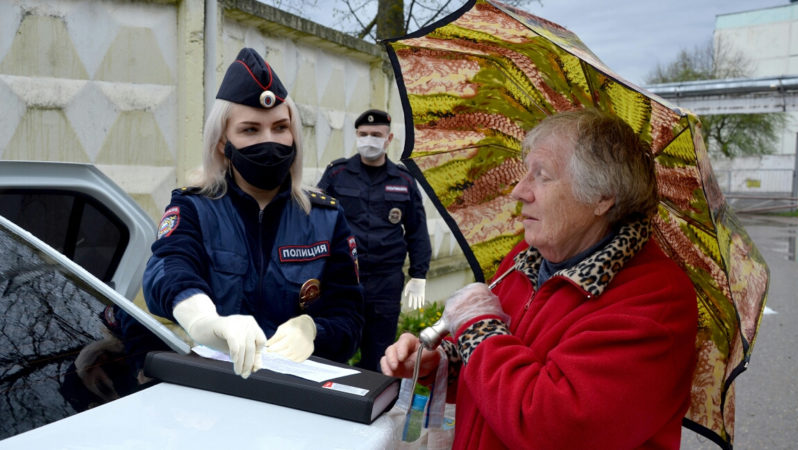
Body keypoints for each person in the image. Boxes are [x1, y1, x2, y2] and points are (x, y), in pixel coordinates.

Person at [381, 109, 698, 449]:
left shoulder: (655, 302)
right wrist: (443, 364)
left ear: (603, 196)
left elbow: (547, 426)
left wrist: (476, 327)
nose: (519, 191)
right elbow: (502, 374)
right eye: (524, 173)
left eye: (542, 176)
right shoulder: (528, 257)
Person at [143, 48, 363, 379]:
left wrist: (314, 329)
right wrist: (207, 321)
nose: (270, 141)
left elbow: (350, 317)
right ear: (222, 143)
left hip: (300, 393)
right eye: (250, 130)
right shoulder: (194, 209)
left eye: (280, 128)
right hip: (217, 386)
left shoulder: (326, 217)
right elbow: (169, 272)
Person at [317, 109, 432, 371]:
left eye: (376, 135)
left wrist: (419, 275)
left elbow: (417, 231)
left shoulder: (403, 181)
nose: (369, 139)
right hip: (342, 278)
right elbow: (316, 221)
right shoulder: (337, 174)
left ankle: (370, 407)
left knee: (378, 356)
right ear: (356, 136)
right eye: (364, 134)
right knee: (332, 352)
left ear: (388, 138)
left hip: (385, 283)